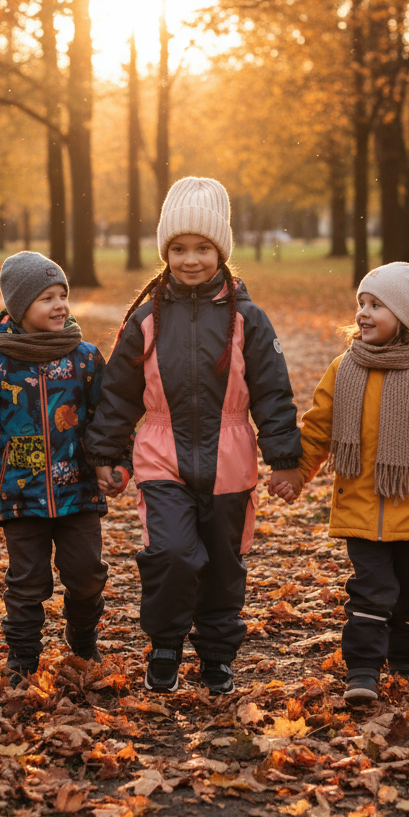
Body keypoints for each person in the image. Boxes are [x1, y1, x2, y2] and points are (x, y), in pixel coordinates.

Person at [84, 177, 302, 696]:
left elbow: (273, 393)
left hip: (230, 462)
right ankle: (164, 643)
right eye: (178, 248)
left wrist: (285, 458)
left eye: (202, 247)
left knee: (223, 566)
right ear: (165, 253)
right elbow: (119, 392)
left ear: (221, 251)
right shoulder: (146, 320)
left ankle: (217, 654)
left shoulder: (248, 319)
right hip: (163, 460)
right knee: (174, 554)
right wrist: (108, 452)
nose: (190, 259)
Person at [272, 262, 409, 704]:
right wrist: (296, 472)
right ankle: (363, 671)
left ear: (406, 317)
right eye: (361, 304)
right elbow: (318, 430)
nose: (364, 313)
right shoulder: (344, 369)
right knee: (370, 589)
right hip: (361, 506)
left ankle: (406, 664)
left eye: (377, 305)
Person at [0, 251, 131, 686]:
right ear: (19, 308)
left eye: (63, 295)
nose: (59, 305)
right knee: (27, 582)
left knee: (87, 574)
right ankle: (22, 657)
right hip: (21, 496)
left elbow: (109, 420)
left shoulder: (85, 359)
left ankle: (83, 635)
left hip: (79, 494)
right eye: (45, 298)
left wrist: (115, 464)